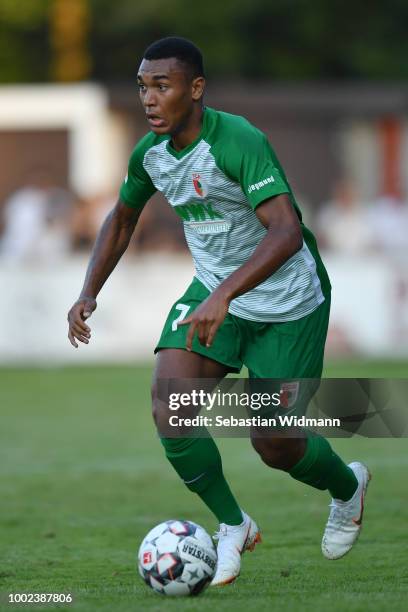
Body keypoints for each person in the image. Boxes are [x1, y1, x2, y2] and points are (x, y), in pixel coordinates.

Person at [67, 37, 371, 587]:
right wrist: (89, 290)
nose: (150, 99)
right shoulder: (151, 154)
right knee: (170, 405)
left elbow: (285, 232)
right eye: (143, 87)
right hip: (215, 291)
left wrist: (224, 294)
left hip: (288, 300)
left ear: (196, 88)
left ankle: (347, 489)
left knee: (274, 442)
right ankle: (233, 524)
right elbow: (122, 216)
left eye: (163, 85)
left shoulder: (237, 140)